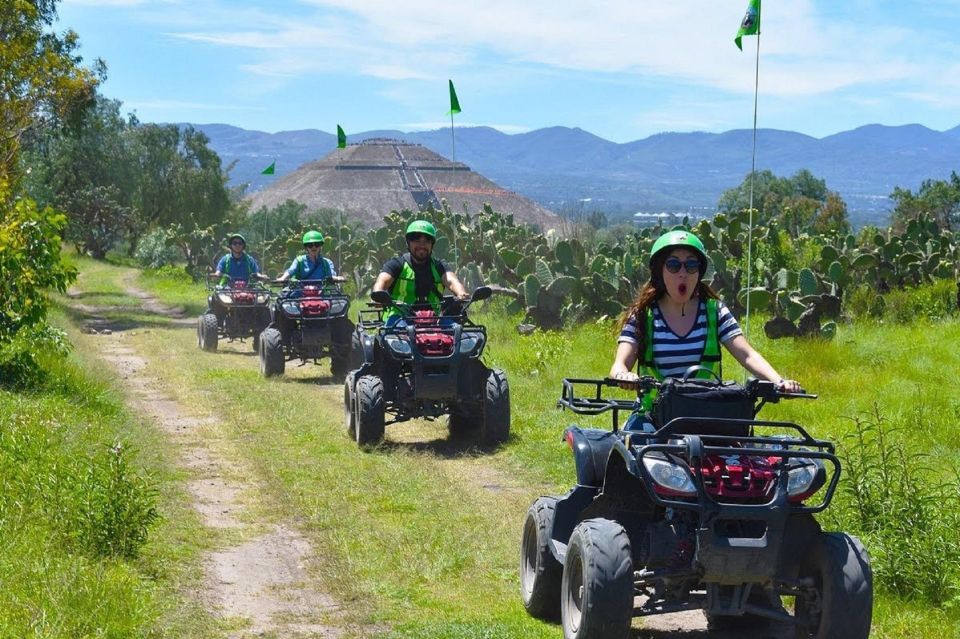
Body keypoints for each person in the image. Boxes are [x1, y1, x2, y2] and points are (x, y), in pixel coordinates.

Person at [610, 230, 800, 420]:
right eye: (674, 265)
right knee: (636, 445)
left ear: (699, 272)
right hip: (652, 417)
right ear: (660, 271)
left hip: (708, 417)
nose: (683, 273)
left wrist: (779, 382)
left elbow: (747, 354)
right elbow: (619, 365)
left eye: (691, 265)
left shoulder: (714, 312)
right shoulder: (643, 315)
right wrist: (624, 376)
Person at [372, 219, 469, 325]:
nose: (421, 245)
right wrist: (378, 296)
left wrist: (461, 293)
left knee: (458, 332)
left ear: (432, 245)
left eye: (426, 241)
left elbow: (451, 281)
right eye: (416, 240)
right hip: (399, 318)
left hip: (435, 319)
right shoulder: (396, 264)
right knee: (400, 337)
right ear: (408, 243)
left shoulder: (439, 266)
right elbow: (382, 281)